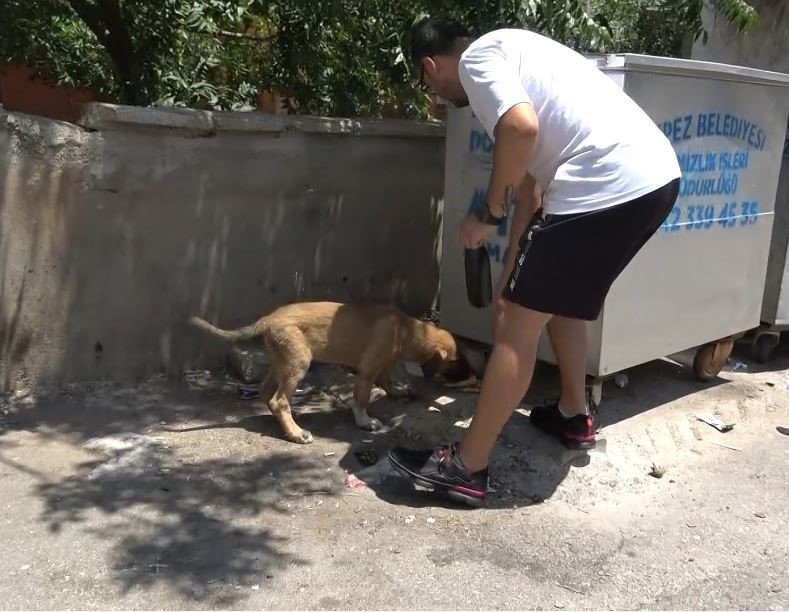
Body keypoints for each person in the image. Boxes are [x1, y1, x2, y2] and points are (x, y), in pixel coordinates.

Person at [388, 18, 681, 507]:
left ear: (430, 66)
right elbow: (531, 189)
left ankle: (466, 467)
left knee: (517, 330)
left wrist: (487, 214)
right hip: (652, 181)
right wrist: (511, 278)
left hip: (603, 185)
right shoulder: (516, 53)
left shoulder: (481, 60)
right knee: (554, 303)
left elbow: (521, 129)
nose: (437, 96)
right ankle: (572, 412)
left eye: (429, 86)